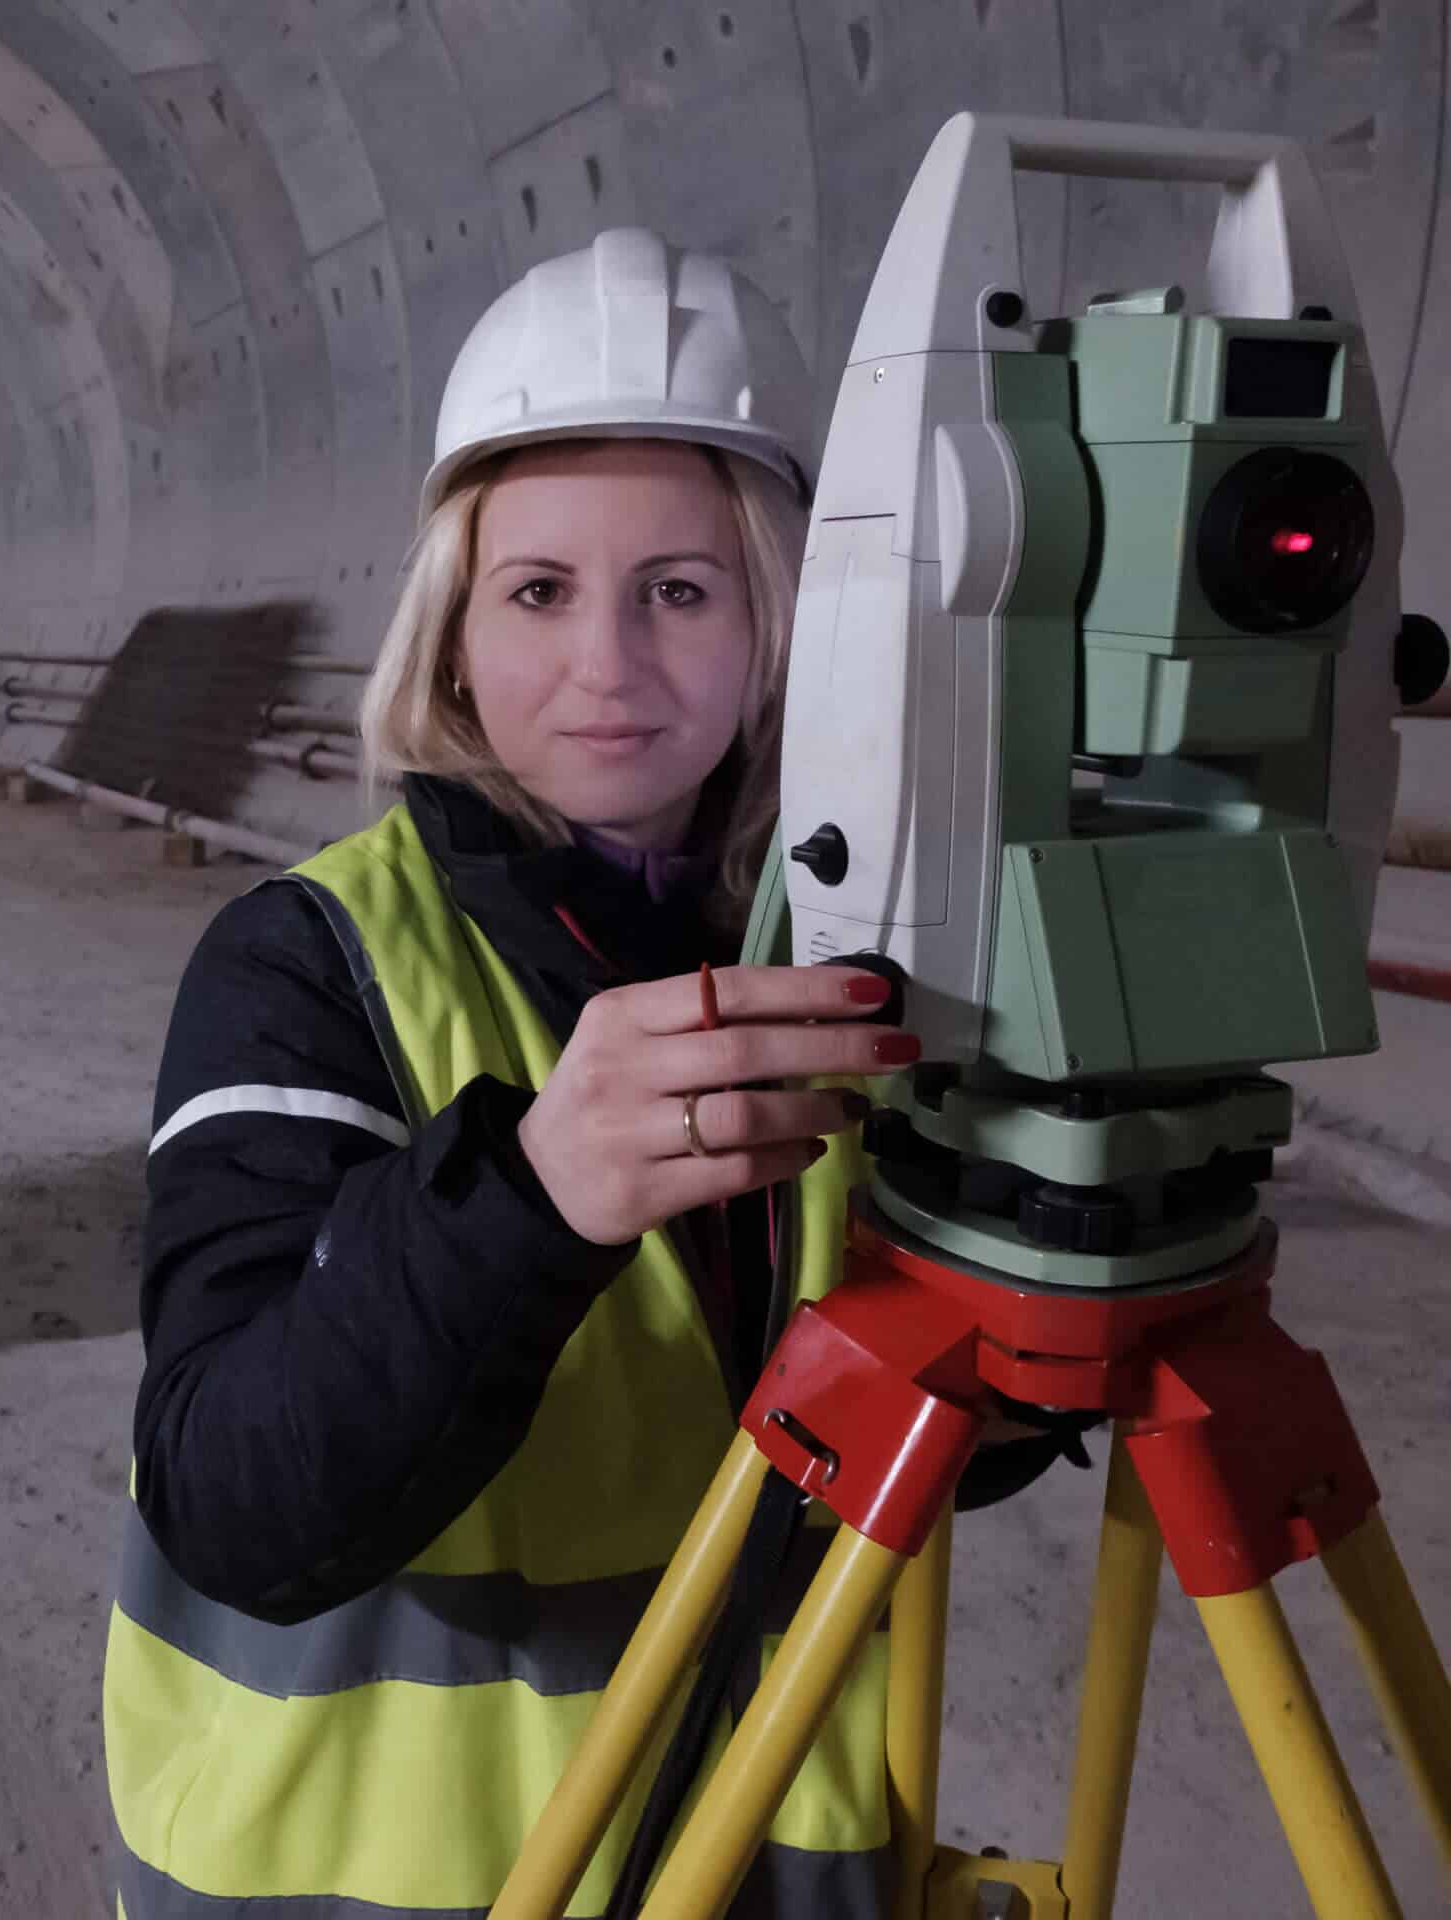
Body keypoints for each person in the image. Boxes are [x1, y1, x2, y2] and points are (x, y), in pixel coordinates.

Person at [101, 229, 1061, 1919]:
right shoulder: (303, 968)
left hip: (763, 1862)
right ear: (455, 633)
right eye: (538, 590)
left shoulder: (848, 953)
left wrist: (1042, 1211)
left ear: (780, 619)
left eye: (679, 590)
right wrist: (532, 1198)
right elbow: (234, 1498)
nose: (607, 663)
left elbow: (935, 1446)